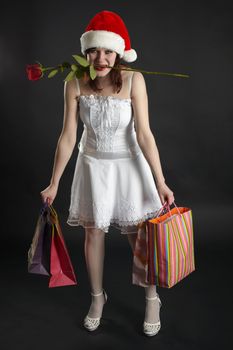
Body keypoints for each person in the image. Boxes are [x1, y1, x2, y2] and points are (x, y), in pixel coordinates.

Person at [40, 10, 174, 336]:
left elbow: (144, 134)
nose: (101, 58)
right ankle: (97, 298)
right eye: (95, 51)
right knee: (92, 234)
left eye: (108, 51)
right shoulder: (74, 83)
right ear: (85, 52)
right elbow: (68, 136)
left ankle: (152, 298)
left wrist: (160, 181)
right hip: (93, 166)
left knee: (138, 236)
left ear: (118, 53)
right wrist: (54, 181)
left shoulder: (133, 80)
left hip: (128, 166)